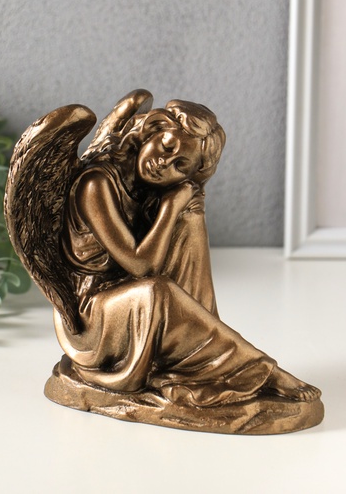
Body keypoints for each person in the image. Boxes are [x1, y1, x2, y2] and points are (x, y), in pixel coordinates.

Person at [56, 96, 321, 407]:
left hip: (128, 300)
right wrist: (170, 207)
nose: (164, 163)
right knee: (157, 291)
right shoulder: (96, 184)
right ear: (151, 132)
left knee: (190, 220)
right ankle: (262, 370)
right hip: (90, 317)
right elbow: (142, 267)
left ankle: (197, 356)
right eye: (166, 146)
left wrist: (183, 207)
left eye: (180, 166)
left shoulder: (146, 187)